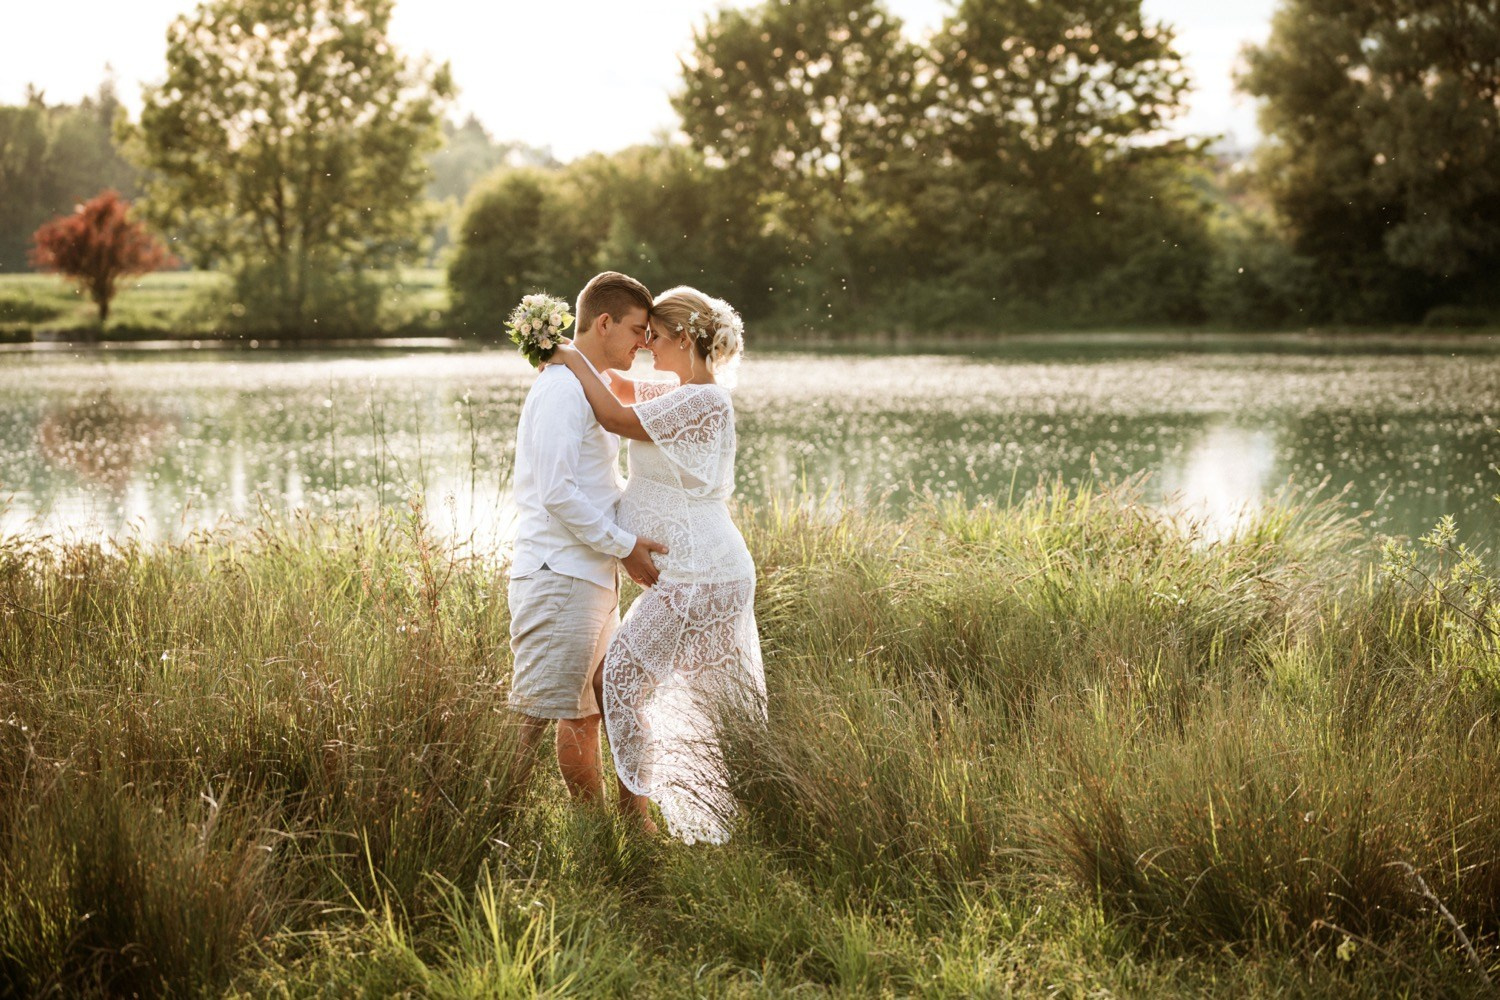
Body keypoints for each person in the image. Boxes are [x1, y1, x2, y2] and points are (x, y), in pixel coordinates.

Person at [551, 285, 765, 844]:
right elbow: (620, 387)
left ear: (685, 339)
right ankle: (653, 817)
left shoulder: (704, 401)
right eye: (642, 335)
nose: (647, 346)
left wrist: (568, 355)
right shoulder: (676, 391)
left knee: (620, 677)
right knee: (665, 690)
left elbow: (615, 416)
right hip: (691, 572)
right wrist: (566, 353)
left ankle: (639, 823)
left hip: (704, 573)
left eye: (655, 337)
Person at [506, 271, 667, 823]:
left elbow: (596, 482)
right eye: (637, 330)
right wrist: (624, 544)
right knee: (531, 717)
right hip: (559, 574)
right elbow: (556, 493)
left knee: (587, 712)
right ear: (604, 323)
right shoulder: (561, 390)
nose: (643, 344)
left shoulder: (587, 385)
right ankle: (481, 826)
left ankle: (595, 830)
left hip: (589, 575)